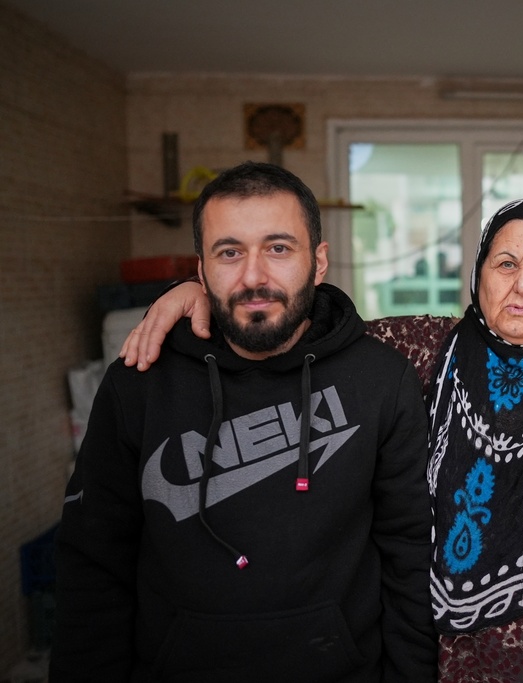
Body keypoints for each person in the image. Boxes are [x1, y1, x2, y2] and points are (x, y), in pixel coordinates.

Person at [121, 197, 523, 682]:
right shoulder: (425, 348)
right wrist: (195, 292)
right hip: (463, 663)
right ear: (479, 273)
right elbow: (295, 322)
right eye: (506, 263)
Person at [51, 161, 437, 682]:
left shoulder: (381, 378)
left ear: (318, 262)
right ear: (201, 269)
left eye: (278, 248)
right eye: (230, 252)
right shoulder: (139, 380)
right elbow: (93, 563)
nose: (254, 276)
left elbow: (410, 554)